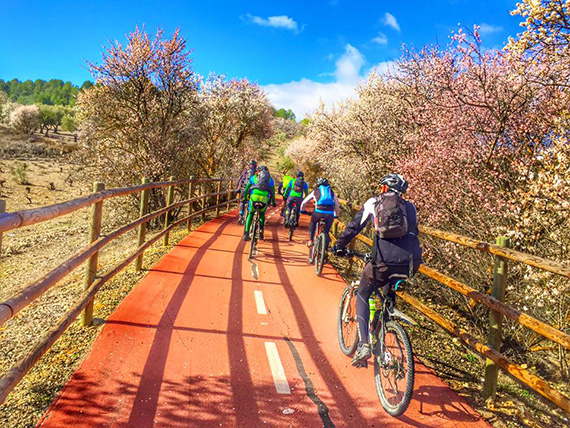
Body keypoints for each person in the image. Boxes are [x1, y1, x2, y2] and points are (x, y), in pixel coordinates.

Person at [332, 173, 422, 368]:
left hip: (382, 262)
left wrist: (339, 245)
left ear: (384, 188)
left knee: (364, 293)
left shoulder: (374, 202)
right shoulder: (410, 208)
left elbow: (354, 227)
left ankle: (364, 344)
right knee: (388, 294)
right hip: (409, 264)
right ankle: (384, 325)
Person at [300, 178, 340, 248]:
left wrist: (302, 210)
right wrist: (336, 215)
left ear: (318, 185)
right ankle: (325, 249)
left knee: (313, 222)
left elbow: (304, 202)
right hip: (329, 214)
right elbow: (336, 205)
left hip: (318, 212)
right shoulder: (331, 192)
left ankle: (311, 240)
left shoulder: (315, 191)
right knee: (326, 231)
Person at [242, 165, 276, 241]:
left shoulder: (254, 177)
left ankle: (246, 233)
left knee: (250, 214)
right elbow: (273, 192)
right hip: (264, 199)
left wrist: (245, 197)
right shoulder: (270, 180)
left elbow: (247, 188)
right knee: (261, 214)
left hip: (254, 198)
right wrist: (273, 202)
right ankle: (261, 231)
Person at [237, 159, 257, 225]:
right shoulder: (257, 173)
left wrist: (238, 188)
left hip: (244, 189)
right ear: (255, 166)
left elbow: (240, 180)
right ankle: (252, 217)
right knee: (252, 202)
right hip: (253, 191)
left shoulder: (245, 171)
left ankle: (240, 215)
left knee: (242, 201)